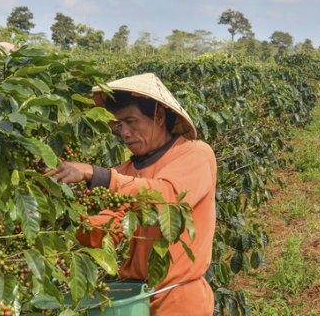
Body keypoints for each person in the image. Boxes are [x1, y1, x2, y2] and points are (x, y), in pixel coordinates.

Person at [51, 73, 217, 315]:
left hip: (179, 299)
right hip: (134, 299)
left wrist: (99, 176)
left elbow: (167, 196)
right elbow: (105, 233)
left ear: (158, 116)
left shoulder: (195, 154)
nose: (124, 133)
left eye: (131, 121)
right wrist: (66, 206)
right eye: (118, 125)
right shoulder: (125, 172)